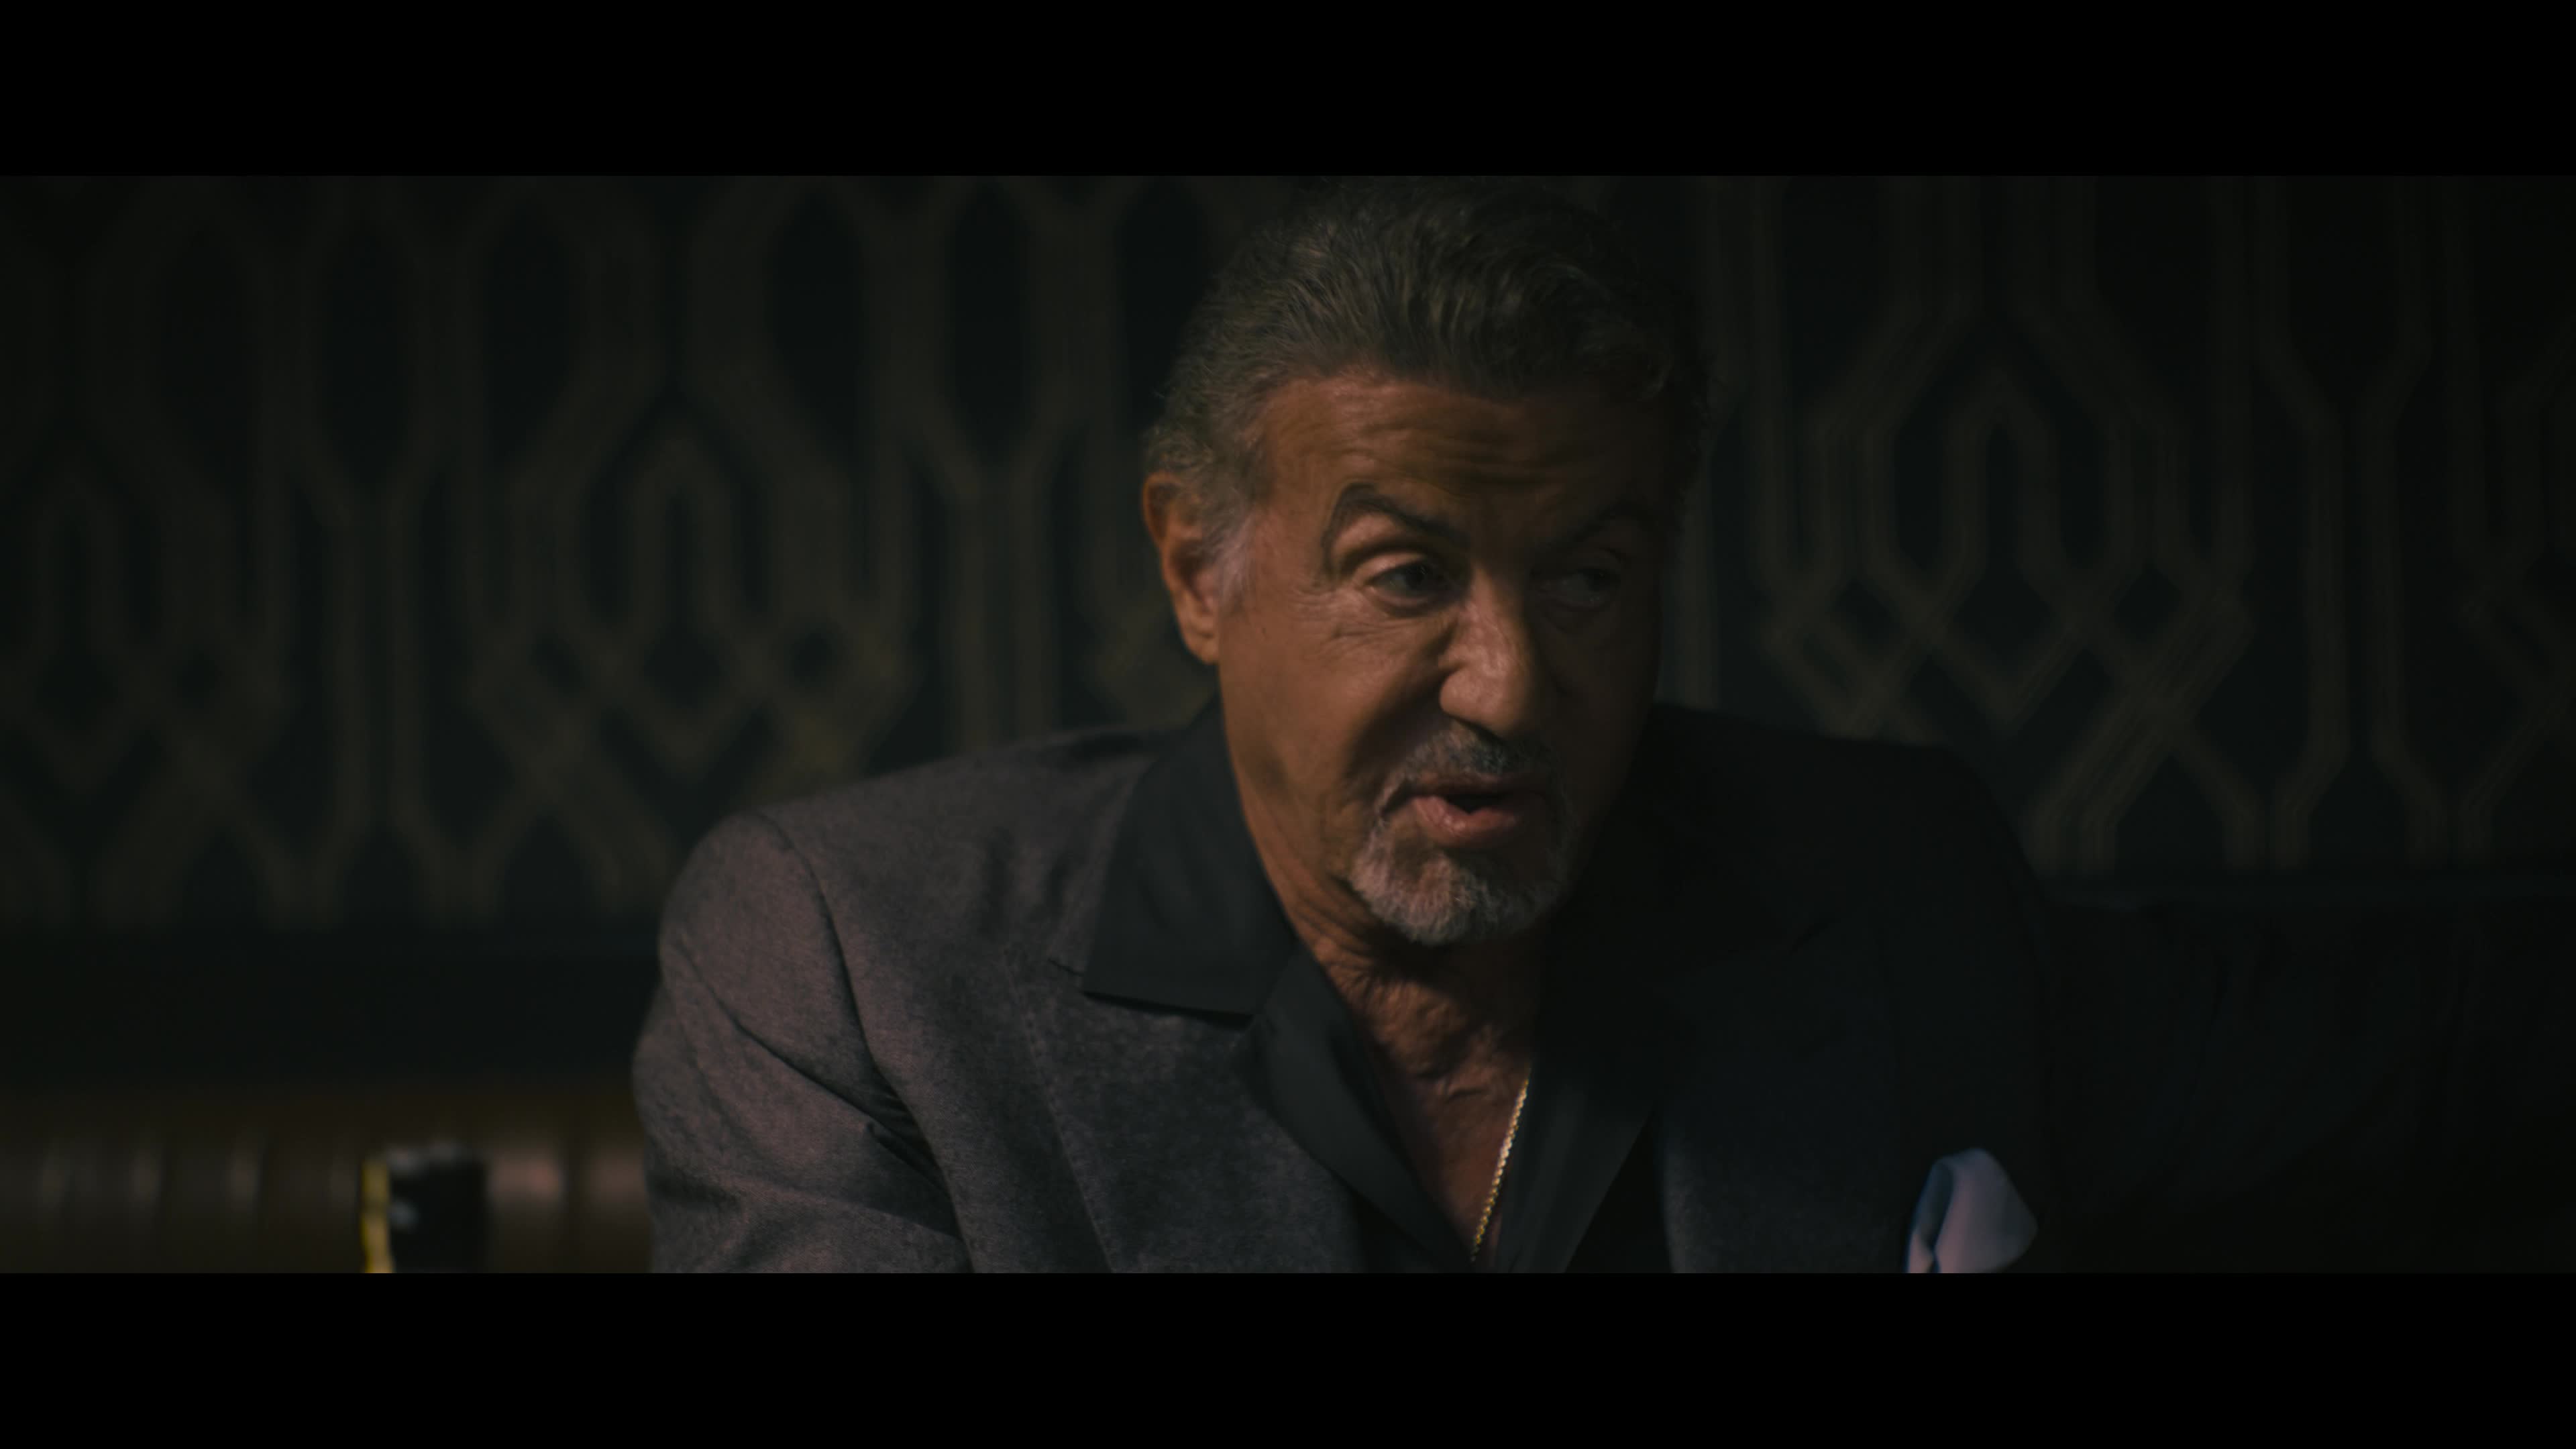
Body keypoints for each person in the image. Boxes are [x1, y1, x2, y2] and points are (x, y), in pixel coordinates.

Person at [632, 177, 2575, 1272]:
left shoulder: (1888, 885)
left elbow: (2439, 1072)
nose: (1507, 688)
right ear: (1197, 569)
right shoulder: (849, 959)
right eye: (1406, 574)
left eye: (1586, 581)